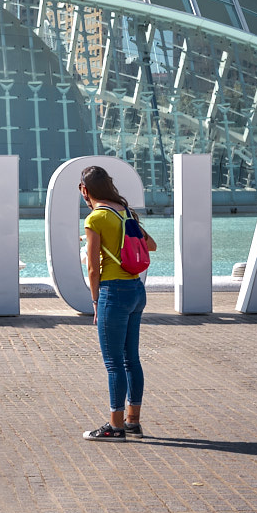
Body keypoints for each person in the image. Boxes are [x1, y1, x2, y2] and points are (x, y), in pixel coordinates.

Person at [80, 165, 157, 442]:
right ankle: (132, 421)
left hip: (114, 292)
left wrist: (95, 302)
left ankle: (115, 426)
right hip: (136, 290)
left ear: (85, 190)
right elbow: (151, 245)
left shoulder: (96, 218)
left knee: (113, 363)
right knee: (131, 359)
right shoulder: (125, 212)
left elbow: (92, 268)